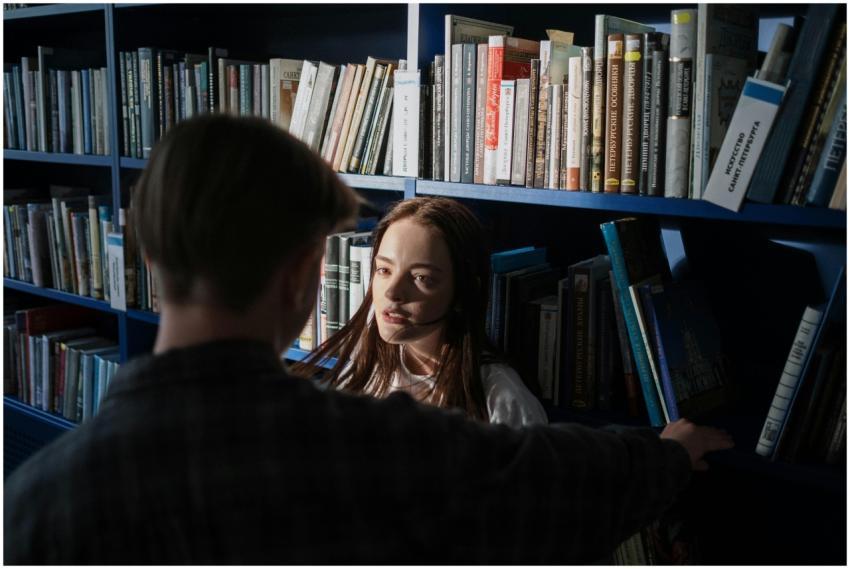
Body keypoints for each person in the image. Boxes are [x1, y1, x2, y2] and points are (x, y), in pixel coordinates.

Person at [4, 115, 734, 564]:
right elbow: (552, 481)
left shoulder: (34, 504)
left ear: (145, 255)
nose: (390, 293)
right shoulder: (381, 449)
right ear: (304, 274)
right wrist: (668, 452)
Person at [296, 196, 547, 427]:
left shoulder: (501, 400)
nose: (392, 292)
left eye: (420, 277)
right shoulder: (365, 372)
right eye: (384, 270)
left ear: (463, 292)